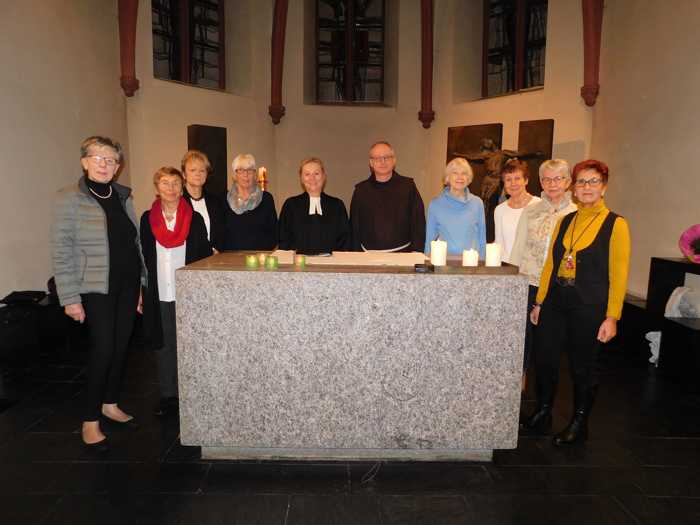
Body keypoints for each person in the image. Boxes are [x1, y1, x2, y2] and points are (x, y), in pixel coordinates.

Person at [522, 159, 631, 445]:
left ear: (604, 187)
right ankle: (543, 411)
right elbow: (550, 265)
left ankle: (579, 422)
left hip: (589, 306)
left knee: (583, 366)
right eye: (582, 181)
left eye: (593, 181)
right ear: (574, 187)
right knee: (544, 359)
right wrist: (539, 303)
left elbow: (618, 275)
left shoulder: (616, 225)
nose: (586, 187)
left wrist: (612, 317)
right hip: (555, 302)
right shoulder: (565, 221)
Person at [51, 136, 146, 452]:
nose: (105, 164)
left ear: (118, 167)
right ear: (84, 161)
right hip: (95, 287)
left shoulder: (122, 196)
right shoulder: (70, 198)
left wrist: (139, 286)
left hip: (127, 284)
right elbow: (62, 250)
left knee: (120, 348)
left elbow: (134, 243)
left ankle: (110, 403)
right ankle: (90, 420)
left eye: (111, 160)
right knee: (103, 349)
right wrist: (70, 297)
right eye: (98, 157)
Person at [140, 167, 212, 417]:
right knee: (163, 344)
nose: (170, 188)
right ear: (157, 187)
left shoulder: (195, 218)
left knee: (188, 344)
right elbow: (143, 258)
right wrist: (141, 291)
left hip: (186, 292)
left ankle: (189, 392)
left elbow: (203, 257)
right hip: (159, 290)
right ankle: (168, 395)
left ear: (181, 187)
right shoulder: (147, 218)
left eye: (174, 183)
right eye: (164, 183)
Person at [510, 159, 577, 391]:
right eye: (547, 179)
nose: (553, 183)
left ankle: (545, 401)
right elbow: (518, 249)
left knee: (549, 347)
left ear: (568, 182)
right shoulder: (531, 211)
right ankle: (517, 393)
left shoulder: (576, 213)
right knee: (523, 342)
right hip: (529, 282)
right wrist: (514, 282)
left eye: (558, 178)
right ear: (540, 182)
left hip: (558, 287)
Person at [350, 141, 425, 252]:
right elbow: (354, 227)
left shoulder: (408, 187)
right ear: (371, 163)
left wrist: (416, 252)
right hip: (368, 256)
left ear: (394, 160)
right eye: (377, 158)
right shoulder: (361, 190)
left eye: (387, 157)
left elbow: (418, 222)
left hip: (403, 254)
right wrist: (356, 255)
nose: (382, 162)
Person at [278, 157, 350, 253]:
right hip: (299, 264)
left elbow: (344, 240)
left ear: (324, 176)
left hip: (330, 264)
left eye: (316, 173)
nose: (312, 178)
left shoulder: (337, 205)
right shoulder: (291, 205)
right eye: (307, 174)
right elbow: (283, 239)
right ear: (301, 178)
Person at [424, 157, 486, 258]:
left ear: (469, 178)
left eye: (464, 173)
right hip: (444, 265)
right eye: (455, 173)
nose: (460, 177)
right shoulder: (435, 204)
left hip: (471, 266)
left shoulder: (477, 203)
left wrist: (483, 267)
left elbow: (482, 240)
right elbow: (429, 242)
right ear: (448, 177)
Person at [223, 154, 278, 250]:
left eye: (250, 170)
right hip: (230, 259)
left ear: (255, 174)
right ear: (234, 175)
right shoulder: (223, 199)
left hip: (259, 259)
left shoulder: (266, 198)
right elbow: (220, 232)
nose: (246, 174)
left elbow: (274, 232)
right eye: (241, 170)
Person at [494, 159, 541, 263]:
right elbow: (499, 243)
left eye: (517, 178)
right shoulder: (500, 210)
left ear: (526, 180)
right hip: (507, 268)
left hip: (531, 268)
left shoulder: (538, 205)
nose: (513, 183)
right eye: (508, 180)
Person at [181, 150, 226, 252]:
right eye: (193, 170)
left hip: (214, 261)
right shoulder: (178, 202)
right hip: (187, 262)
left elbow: (221, 232)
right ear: (184, 174)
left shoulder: (216, 202)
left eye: (202, 170)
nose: (198, 174)